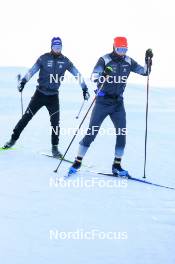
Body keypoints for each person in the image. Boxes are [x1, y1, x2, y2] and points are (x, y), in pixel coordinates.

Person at [68, 36, 153, 176]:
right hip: (102, 101)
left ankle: (117, 165)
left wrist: (148, 62)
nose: (122, 52)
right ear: (114, 47)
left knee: (121, 133)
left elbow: (145, 72)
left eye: (125, 49)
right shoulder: (105, 59)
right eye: (120, 49)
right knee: (92, 132)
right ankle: (77, 161)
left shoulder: (128, 61)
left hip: (118, 103)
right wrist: (103, 74)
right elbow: (94, 77)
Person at [3, 37, 90, 157]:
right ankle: (12, 140)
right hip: (39, 94)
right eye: (55, 47)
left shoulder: (65, 61)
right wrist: (23, 81)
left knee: (55, 124)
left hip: (53, 97)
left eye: (59, 47)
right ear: (51, 47)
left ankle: (55, 148)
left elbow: (77, 74)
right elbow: (32, 71)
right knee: (26, 118)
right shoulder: (43, 58)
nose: (57, 49)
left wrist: (84, 88)